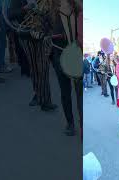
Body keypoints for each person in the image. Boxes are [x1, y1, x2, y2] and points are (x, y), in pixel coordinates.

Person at [15, 0, 57, 111]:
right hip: (26, 38)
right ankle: (39, 95)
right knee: (34, 69)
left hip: (42, 37)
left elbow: (53, 19)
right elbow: (10, 14)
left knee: (43, 68)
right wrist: (25, 9)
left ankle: (46, 101)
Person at [51, 0, 81, 136]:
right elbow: (41, 31)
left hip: (76, 58)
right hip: (60, 58)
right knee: (65, 92)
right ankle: (70, 123)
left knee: (79, 94)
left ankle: (81, 125)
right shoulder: (51, 14)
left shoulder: (78, 11)